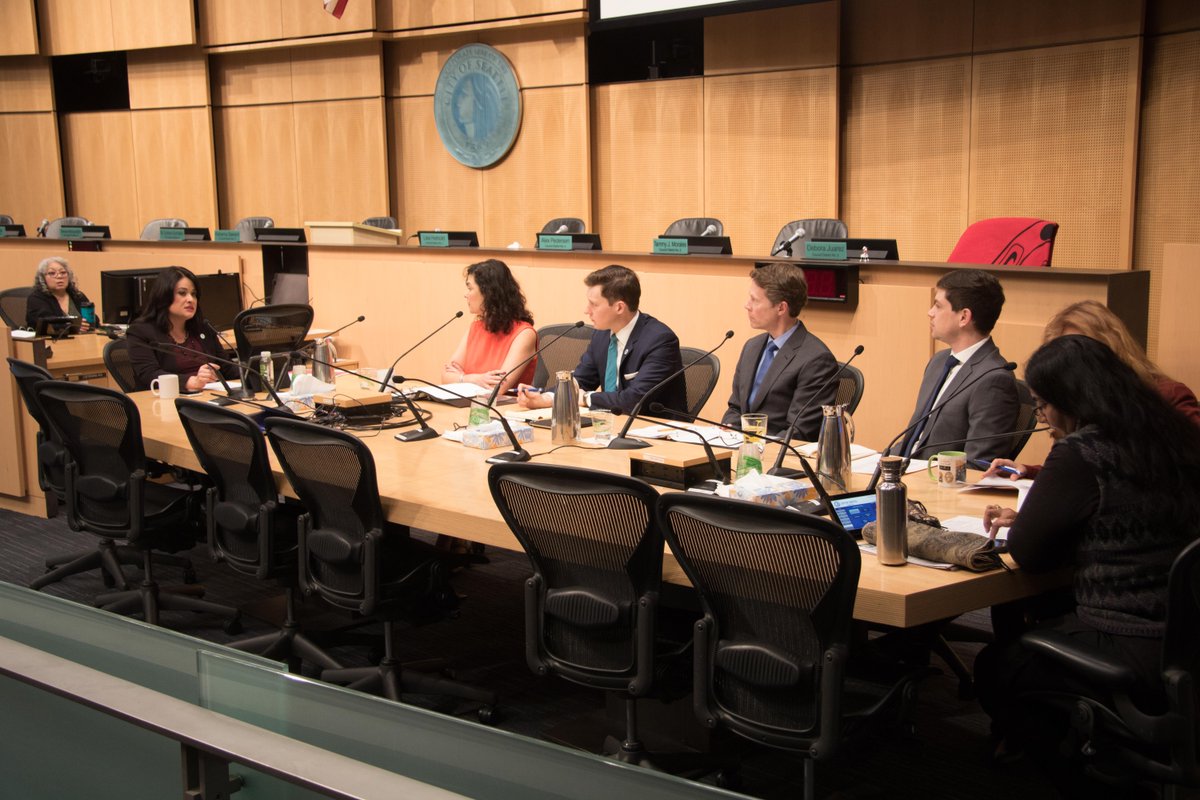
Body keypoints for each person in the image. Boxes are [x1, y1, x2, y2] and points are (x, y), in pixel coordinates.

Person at [973, 335, 1200, 787]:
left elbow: (1030, 553)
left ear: (1069, 401)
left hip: (1132, 641)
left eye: (1041, 405)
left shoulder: (1083, 450)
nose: (1042, 418)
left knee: (998, 665)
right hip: (1187, 634)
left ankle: (1079, 774)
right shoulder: (1173, 431)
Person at [516, 264, 686, 416]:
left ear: (619, 307)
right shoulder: (602, 334)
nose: (586, 310)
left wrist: (586, 399)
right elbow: (582, 380)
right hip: (611, 426)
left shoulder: (660, 341)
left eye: (594, 305)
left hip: (654, 435)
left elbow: (634, 400)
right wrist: (545, 398)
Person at [901, 268, 1019, 461]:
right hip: (904, 471)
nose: (930, 313)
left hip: (935, 483)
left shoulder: (994, 380)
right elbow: (914, 439)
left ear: (964, 317)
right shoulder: (939, 362)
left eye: (938, 306)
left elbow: (979, 464)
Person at [721, 263, 838, 440]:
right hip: (742, 450)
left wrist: (753, 446)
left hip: (781, 459)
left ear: (781, 308)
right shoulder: (751, 348)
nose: (747, 306)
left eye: (755, 300)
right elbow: (736, 408)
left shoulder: (817, 360)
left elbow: (799, 431)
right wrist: (730, 430)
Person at [126, 266, 230, 392]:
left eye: (194, 294)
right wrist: (190, 381)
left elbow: (226, 367)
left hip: (208, 398)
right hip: (166, 401)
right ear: (164, 295)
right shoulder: (141, 332)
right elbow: (150, 374)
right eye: (182, 293)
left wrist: (253, 371)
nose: (191, 299)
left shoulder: (203, 328)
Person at [442, 259, 537, 395]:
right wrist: (475, 379)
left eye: (470, 288)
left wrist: (461, 378)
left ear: (488, 293)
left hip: (504, 409)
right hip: (470, 403)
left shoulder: (524, 334)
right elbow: (446, 377)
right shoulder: (476, 327)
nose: (465, 294)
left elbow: (497, 388)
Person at [25, 256, 92, 332]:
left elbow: (94, 320)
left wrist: (89, 324)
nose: (59, 276)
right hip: (52, 341)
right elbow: (44, 325)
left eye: (63, 272)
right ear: (42, 278)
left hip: (83, 339)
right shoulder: (36, 299)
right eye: (52, 273)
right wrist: (73, 327)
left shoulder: (77, 295)